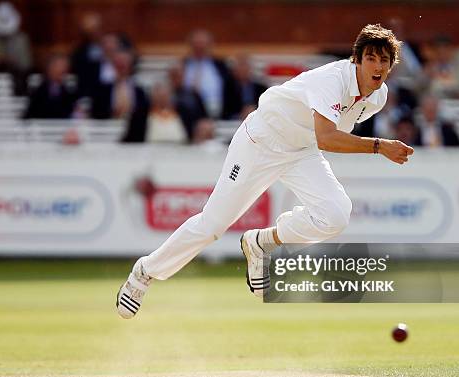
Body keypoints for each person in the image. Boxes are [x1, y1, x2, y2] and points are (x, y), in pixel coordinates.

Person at [115, 24, 414, 319]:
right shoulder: (332, 80)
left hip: (302, 151)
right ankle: (144, 272)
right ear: (357, 59)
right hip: (261, 141)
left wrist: (375, 145)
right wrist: (379, 146)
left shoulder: (378, 97)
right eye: (371, 58)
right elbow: (328, 137)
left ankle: (261, 242)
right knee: (212, 225)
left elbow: (322, 137)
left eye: (384, 61)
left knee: (336, 215)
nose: (377, 66)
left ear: (391, 66)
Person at [23, 54, 78, 119]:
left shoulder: (70, 92)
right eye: (60, 66)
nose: (64, 70)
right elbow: (30, 114)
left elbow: (72, 112)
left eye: (65, 67)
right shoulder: (39, 91)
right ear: (50, 68)